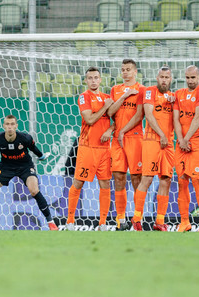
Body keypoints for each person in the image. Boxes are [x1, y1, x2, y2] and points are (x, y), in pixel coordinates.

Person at [0, 114, 58, 231]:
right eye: (7, 124)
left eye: (12, 124)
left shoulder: (25, 138)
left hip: (25, 166)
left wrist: (41, 156)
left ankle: (51, 223)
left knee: (34, 190)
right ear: (3, 126)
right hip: (6, 167)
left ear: (16, 126)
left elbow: (33, 149)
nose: (10, 127)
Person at [67, 67, 115, 231]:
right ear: (86, 81)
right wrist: (104, 108)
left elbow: (118, 119)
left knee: (105, 183)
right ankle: (70, 221)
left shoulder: (107, 97)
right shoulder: (84, 97)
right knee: (78, 182)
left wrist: (110, 130)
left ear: (100, 80)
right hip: (87, 147)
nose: (93, 81)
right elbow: (89, 119)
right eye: (90, 78)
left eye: (96, 78)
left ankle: (102, 223)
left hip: (104, 149)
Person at [131, 66, 175, 231]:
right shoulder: (149, 91)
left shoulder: (173, 97)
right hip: (152, 140)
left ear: (171, 79)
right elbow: (148, 115)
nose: (164, 80)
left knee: (166, 180)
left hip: (169, 143)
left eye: (167, 77)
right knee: (147, 179)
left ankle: (160, 221)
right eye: (161, 77)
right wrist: (162, 135)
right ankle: (136, 219)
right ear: (157, 78)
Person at [108, 59, 146, 230]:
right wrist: (123, 96)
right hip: (117, 139)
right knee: (118, 177)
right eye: (123, 69)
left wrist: (124, 131)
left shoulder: (142, 90)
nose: (125, 72)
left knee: (137, 178)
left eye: (128, 69)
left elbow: (140, 115)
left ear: (135, 71)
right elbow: (110, 112)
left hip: (135, 137)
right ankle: (120, 220)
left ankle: (138, 219)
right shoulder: (115, 90)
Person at [173, 65, 199, 232]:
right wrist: (181, 140)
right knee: (182, 181)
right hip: (181, 142)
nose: (190, 81)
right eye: (187, 78)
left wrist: (186, 139)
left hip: (197, 141)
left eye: (193, 78)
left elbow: (197, 118)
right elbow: (175, 119)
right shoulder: (178, 94)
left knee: (196, 180)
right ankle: (184, 222)